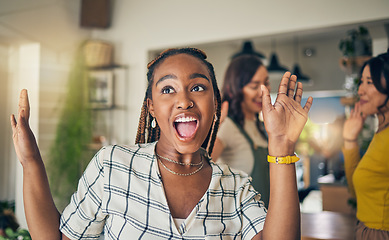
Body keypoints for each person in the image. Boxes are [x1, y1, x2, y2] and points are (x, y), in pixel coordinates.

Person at [10, 47, 312, 240]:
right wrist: (30, 161)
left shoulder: (237, 187)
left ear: (216, 104)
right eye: (168, 89)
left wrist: (282, 146)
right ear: (152, 107)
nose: (184, 100)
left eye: (197, 87)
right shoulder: (112, 165)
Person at [212, 55, 271, 207]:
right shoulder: (227, 126)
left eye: (266, 83)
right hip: (243, 225)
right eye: (254, 86)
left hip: (267, 218)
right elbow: (200, 168)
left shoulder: (259, 126)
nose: (263, 92)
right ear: (235, 89)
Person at [342, 49, 389, 239]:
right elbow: (358, 192)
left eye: (370, 82)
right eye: (362, 81)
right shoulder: (381, 132)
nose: (360, 90)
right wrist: (350, 140)